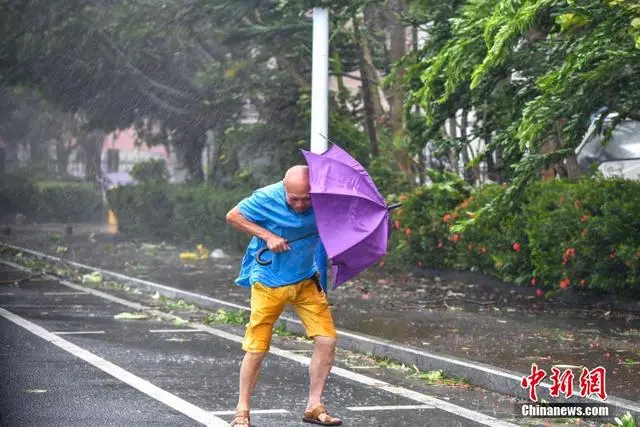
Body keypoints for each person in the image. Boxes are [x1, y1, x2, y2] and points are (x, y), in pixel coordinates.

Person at [225, 165, 342, 427]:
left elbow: (343, 219)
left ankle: (314, 405)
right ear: (284, 189)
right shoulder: (266, 197)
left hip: (305, 280)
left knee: (327, 340)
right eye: (294, 199)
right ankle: (241, 412)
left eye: (307, 198)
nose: (301, 205)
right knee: (257, 347)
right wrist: (267, 236)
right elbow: (233, 216)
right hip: (269, 281)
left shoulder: (326, 200)